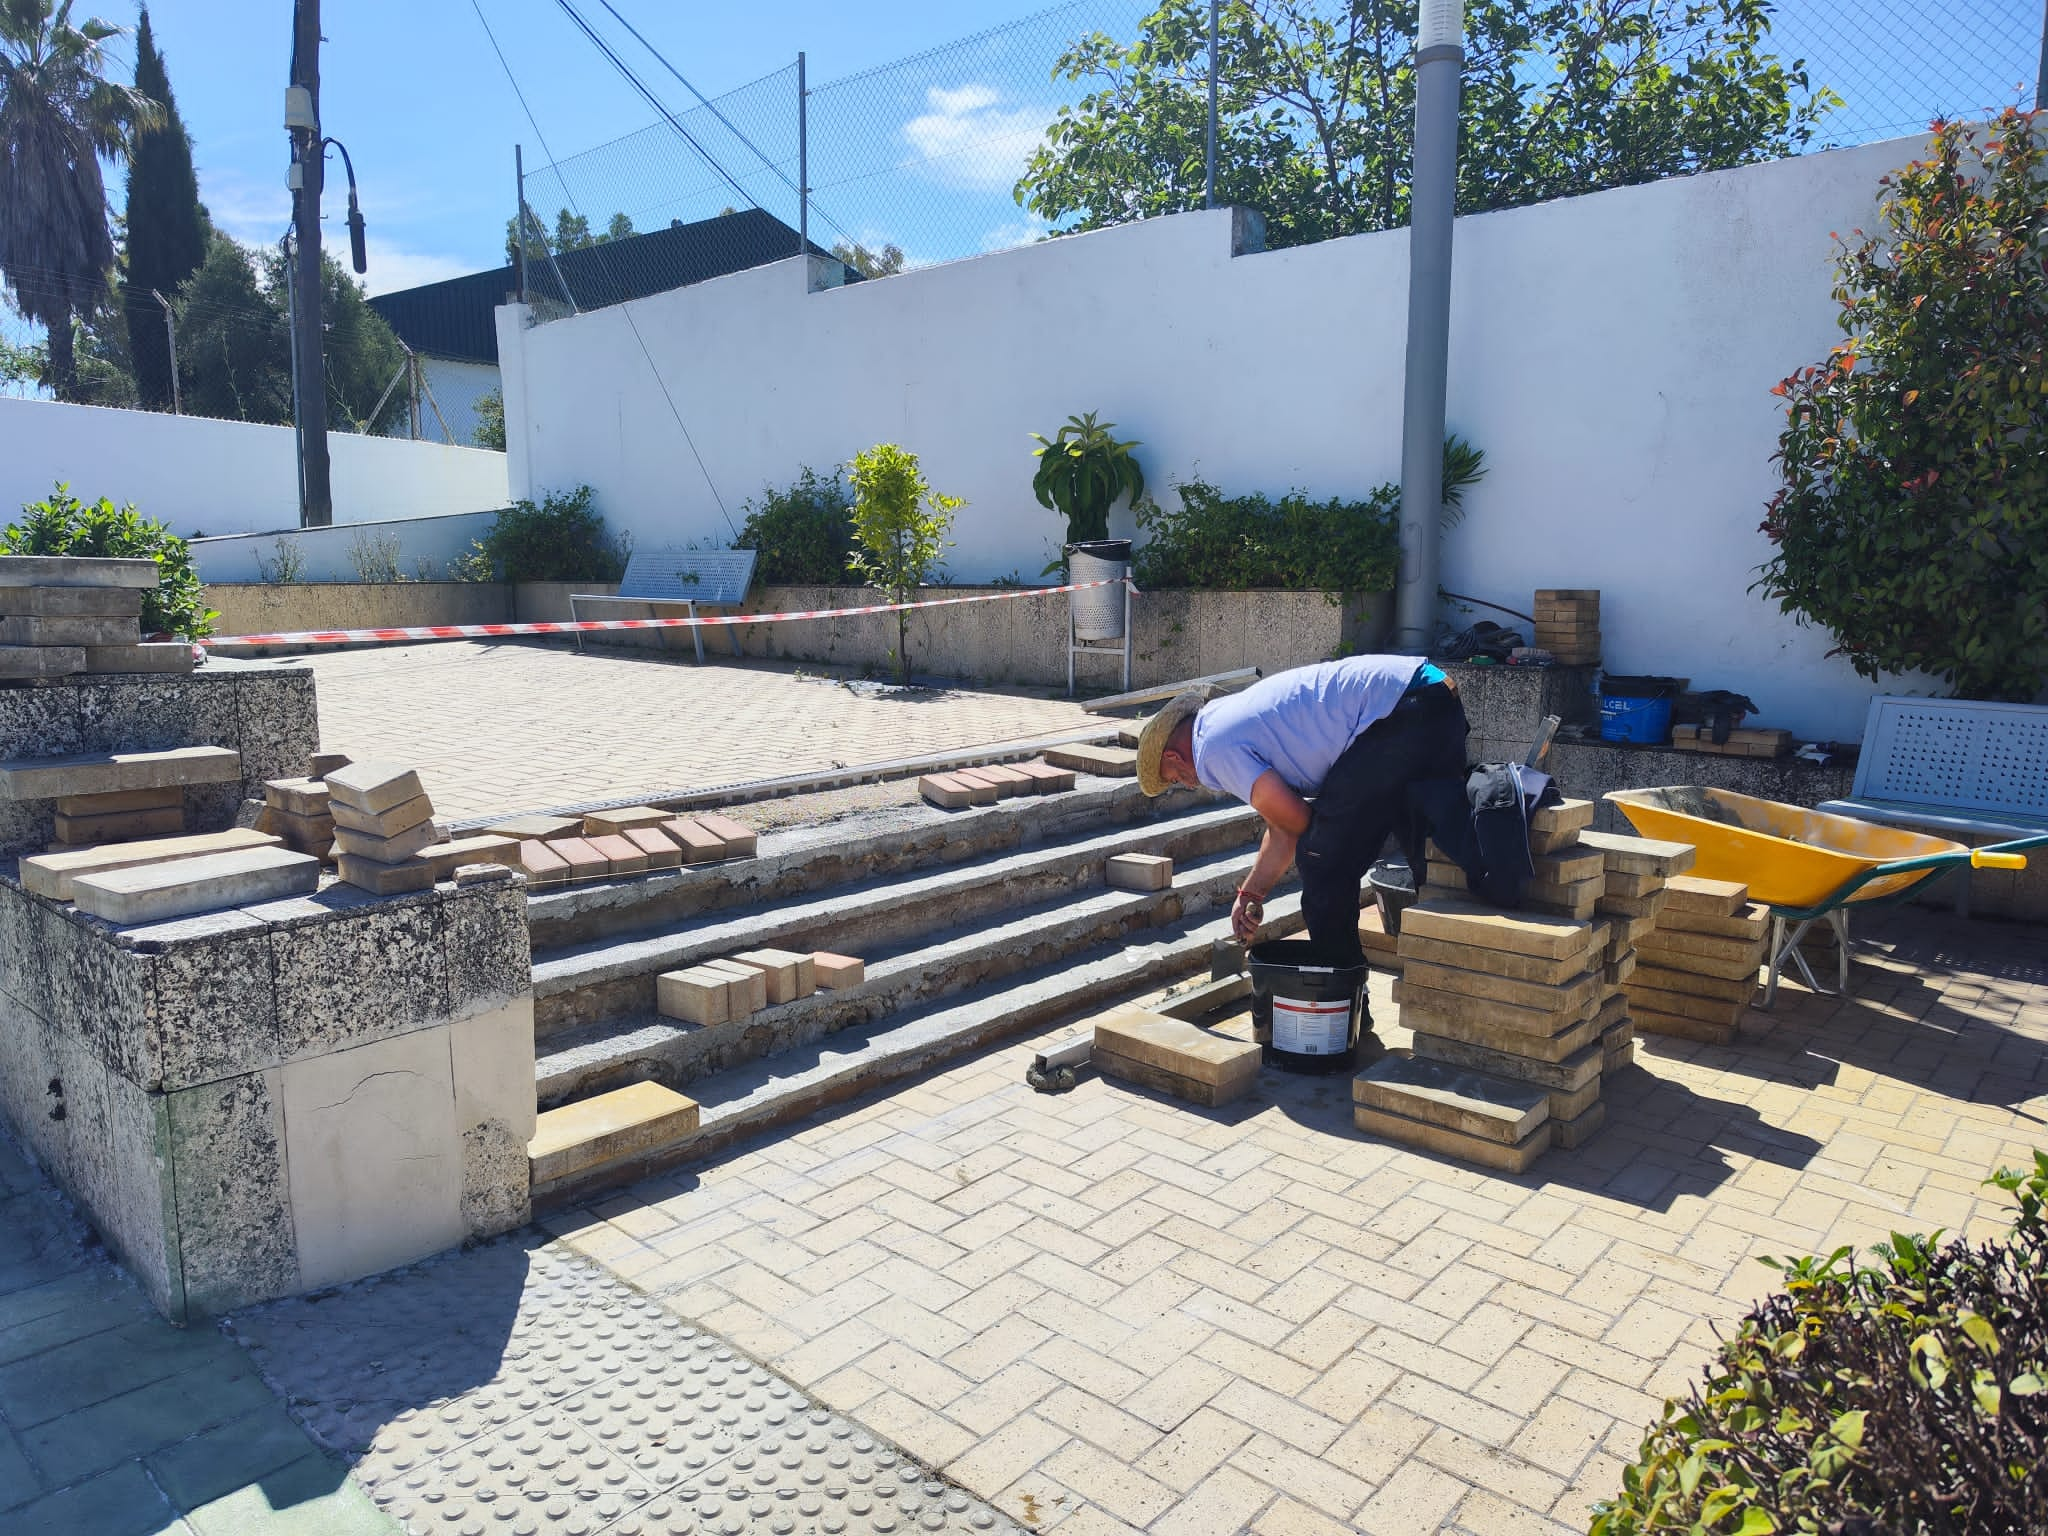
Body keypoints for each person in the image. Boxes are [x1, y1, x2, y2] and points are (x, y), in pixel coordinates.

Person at [1134, 656, 1467, 963]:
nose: (1189, 785)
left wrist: (1269, 877)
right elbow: (1283, 826)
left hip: (1399, 714)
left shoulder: (1210, 751)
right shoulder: (1221, 720)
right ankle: (1453, 973)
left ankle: (1341, 1003)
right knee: (1431, 848)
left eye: (1176, 778)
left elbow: (1296, 823)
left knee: (1322, 860)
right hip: (1432, 697)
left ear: (1174, 757)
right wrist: (1251, 893)